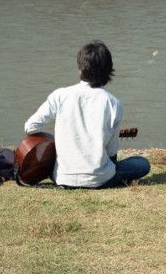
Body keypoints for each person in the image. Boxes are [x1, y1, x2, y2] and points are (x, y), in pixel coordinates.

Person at [24, 41, 150, 188]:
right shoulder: (114, 103)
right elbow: (111, 152)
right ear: (109, 71)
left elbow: (30, 127)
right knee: (142, 164)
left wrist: (54, 142)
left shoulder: (60, 95)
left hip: (62, 177)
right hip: (99, 179)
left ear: (80, 69)